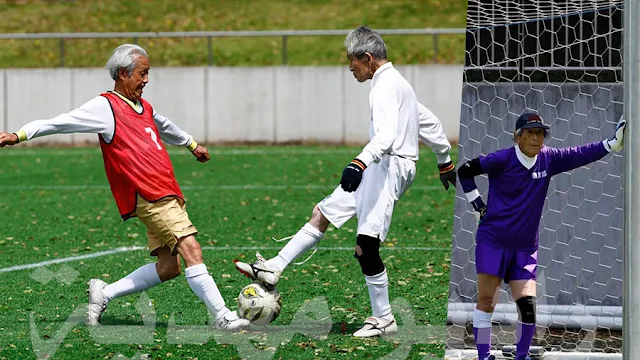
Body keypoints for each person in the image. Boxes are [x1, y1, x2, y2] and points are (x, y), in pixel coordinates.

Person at [0, 44, 251, 331]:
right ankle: (223, 316)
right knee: (192, 249)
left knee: (169, 268)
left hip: (166, 191)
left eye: (148, 73)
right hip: (150, 195)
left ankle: (104, 292)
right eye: (143, 73)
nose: (146, 79)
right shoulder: (105, 107)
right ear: (123, 74)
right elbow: (60, 123)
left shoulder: (143, 107)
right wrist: (18, 135)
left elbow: (165, 125)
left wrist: (192, 145)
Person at [234, 26, 457, 337]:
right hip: (386, 164)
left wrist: (359, 162)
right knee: (321, 213)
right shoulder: (398, 83)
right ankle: (276, 265)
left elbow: (386, 136)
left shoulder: (383, 87)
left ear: (366, 58)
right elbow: (428, 121)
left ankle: (384, 319)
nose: (350, 67)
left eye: (352, 60)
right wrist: (444, 160)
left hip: (388, 166)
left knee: (366, 246)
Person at [457, 112, 625, 360]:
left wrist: (611, 144)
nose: (537, 138)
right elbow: (465, 171)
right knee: (486, 301)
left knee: (527, 306)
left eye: (540, 133)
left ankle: (521, 356)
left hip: (525, 248)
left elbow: (580, 153)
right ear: (518, 137)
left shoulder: (548, 159)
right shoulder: (501, 160)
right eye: (531, 133)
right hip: (493, 242)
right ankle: (483, 354)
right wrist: (478, 205)